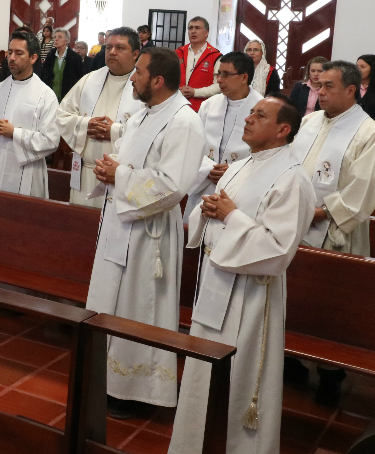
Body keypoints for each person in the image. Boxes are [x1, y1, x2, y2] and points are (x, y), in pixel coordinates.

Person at [169, 96, 313, 454]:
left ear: (283, 130)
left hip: (251, 297)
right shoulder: (238, 166)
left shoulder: (293, 179)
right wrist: (209, 210)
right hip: (215, 287)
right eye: (251, 112)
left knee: (243, 381)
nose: (248, 118)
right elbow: (213, 216)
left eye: (259, 115)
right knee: (202, 375)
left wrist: (231, 215)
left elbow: (278, 250)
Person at [87, 46, 202, 420]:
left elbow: (173, 185)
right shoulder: (143, 114)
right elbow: (123, 155)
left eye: (138, 72)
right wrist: (111, 167)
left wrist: (118, 175)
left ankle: (136, 389)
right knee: (110, 300)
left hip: (148, 233)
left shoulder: (184, 122)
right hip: (121, 222)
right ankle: (104, 379)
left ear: (158, 80)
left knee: (140, 306)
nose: (132, 78)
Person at [288, 59, 375, 405]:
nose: (319, 92)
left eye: (328, 87)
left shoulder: (368, 132)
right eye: (317, 86)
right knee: (294, 295)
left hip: (335, 231)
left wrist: (322, 212)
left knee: (331, 304)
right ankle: (291, 361)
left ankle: (330, 376)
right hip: (296, 224)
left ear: (351, 90)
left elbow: (364, 188)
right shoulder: (308, 122)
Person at [57, 27, 142, 208]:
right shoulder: (89, 80)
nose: (112, 52)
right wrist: (86, 125)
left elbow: (151, 130)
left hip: (122, 176)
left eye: (120, 48)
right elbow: (61, 115)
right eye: (108, 47)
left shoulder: (144, 86)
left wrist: (114, 131)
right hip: (85, 172)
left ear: (135, 53)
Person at [0, 31, 60, 197]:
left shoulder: (45, 95)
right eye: (10, 52)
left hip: (27, 171)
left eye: (19, 53)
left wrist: (14, 133)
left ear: (33, 58)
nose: (12, 58)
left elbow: (51, 140)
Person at [190, 53, 264, 208]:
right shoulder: (209, 105)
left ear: (244, 77)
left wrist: (233, 171)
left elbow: (266, 154)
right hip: (205, 183)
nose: (219, 79)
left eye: (226, 74)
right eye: (218, 74)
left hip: (241, 189)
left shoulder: (262, 108)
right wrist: (208, 169)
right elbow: (193, 144)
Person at [178, 17, 222, 110]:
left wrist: (195, 92)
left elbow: (219, 86)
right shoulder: (178, 53)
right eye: (190, 28)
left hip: (203, 108)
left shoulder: (215, 56)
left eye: (197, 28)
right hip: (178, 107)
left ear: (206, 33)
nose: (193, 31)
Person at [37, 28, 87, 99]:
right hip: (51, 96)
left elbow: (80, 78)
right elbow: (44, 74)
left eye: (60, 37)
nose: (56, 39)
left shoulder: (75, 57)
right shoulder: (50, 55)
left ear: (66, 41)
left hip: (68, 97)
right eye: (55, 37)